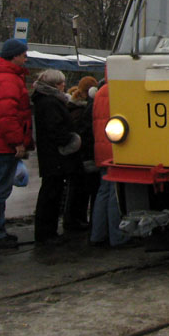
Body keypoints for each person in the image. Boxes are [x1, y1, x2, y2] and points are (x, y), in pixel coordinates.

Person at [0, 39, 33, 249]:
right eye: (23, 54)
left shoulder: (1, 77)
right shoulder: (8, 80)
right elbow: (7, 116)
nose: (25, 58)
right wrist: (17, 142)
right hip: (4, 144)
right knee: (0, 187)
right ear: (14, 56)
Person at [31, 69, 81, 245]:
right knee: (51, 194)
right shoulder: (51, 102)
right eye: (61, 83)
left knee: (51, 192)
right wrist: (71, 139)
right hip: (56, 154)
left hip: (50, 153)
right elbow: (55, 128)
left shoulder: (43, 100)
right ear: (54, 85)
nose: (64, 86)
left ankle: (47, 231)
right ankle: (47, 233)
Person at [89, 81, 134, 248]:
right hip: (116, 149)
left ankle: (97, 235)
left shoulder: (101, 92)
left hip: (101, 148)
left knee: (104, 192)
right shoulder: (120, 89)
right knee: (116, 194)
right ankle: (118, 236)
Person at [63, 76, 99, 230]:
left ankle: (76, 219)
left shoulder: (72, 106)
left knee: (79, 190)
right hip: (83, 155)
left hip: (78, 155)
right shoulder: (82, 110)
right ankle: (76, 221)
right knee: (82, 190)